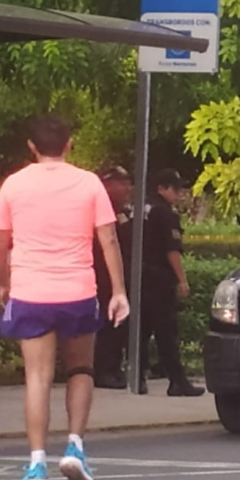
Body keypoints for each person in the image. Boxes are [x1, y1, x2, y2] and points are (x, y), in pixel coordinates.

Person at [0, 115, 130, 480]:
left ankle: (37, 464)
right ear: (69, 144)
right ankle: (75, 447)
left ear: (32, 147)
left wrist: (5, 285)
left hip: (30, 290)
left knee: (37, 377)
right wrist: (118, 291)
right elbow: (109, 240)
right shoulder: (88, 184)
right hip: (77, 290)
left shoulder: (13, 186)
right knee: (81, 368)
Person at [138, 168, 204, 397]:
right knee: (166, 331)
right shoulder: (165, 214)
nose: (179, 194)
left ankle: (137, 376)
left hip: (137, 276)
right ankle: (177, 381)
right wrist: (182, 280)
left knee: (141, 330)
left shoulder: (138, 208)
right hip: (158, 278)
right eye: (175, 189)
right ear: (162, 189)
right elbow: (171, 250)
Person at [91, 166, 136, 391]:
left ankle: (113, 367)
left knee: (118, 326)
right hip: (102, 275)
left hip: (120, 274)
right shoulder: (99, 208)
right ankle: (103, 370)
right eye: (122, 183)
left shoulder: (123, 210)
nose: (127, 187)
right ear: (107, 185)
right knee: (106, 325)